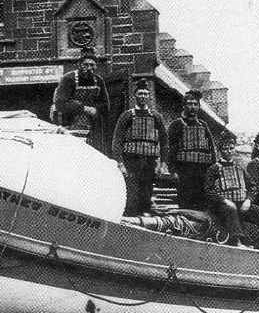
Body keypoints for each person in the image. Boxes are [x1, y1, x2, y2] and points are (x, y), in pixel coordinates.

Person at [203, 131, 259, 250]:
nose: (228, 151)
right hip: (222, 206)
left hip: (241, 203)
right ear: (220, 150)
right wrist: (225, 201)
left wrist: (248, 200)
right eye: (225, 148)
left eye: (231, 148)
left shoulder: (239, 168)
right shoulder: (213, 169)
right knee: (230, 210)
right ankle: (237, 241)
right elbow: (209, 191)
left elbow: (252, 187)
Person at [112, 78, 169, 216]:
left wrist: (163, 164)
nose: (143, 96)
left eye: (145, 94)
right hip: (131, 160)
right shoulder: (127, 116)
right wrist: (120, 163)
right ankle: (130, 218)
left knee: (147, 191)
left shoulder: (156, 117)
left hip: (149, 161)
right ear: (135, 96)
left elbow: (164, 140)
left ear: (149, 96)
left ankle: (145, 219)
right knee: (131, 191)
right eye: (140, 94)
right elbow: (117, 140)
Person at [53, 46, 111, 154]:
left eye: (92, 65)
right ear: (80, 65)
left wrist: (95, 109)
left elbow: (105, 104)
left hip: (91, 128)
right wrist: (83, 108)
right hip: (69, 126)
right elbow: (60, 103)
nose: (89, 68)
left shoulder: (98, 81)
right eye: (86, 64)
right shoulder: (68, 79)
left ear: (96, 66)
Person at [167, 89, 217, 210]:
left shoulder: (203, 125)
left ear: (199, 107)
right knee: (186, 202)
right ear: (184, 106)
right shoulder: (176, 125)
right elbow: (170, 149)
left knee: (202, 203)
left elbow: (211, 148)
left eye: (195, 104)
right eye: (189, 104)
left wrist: (214, 169)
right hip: (185, 170)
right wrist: (172, 170)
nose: (192, 107)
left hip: (203, 171)